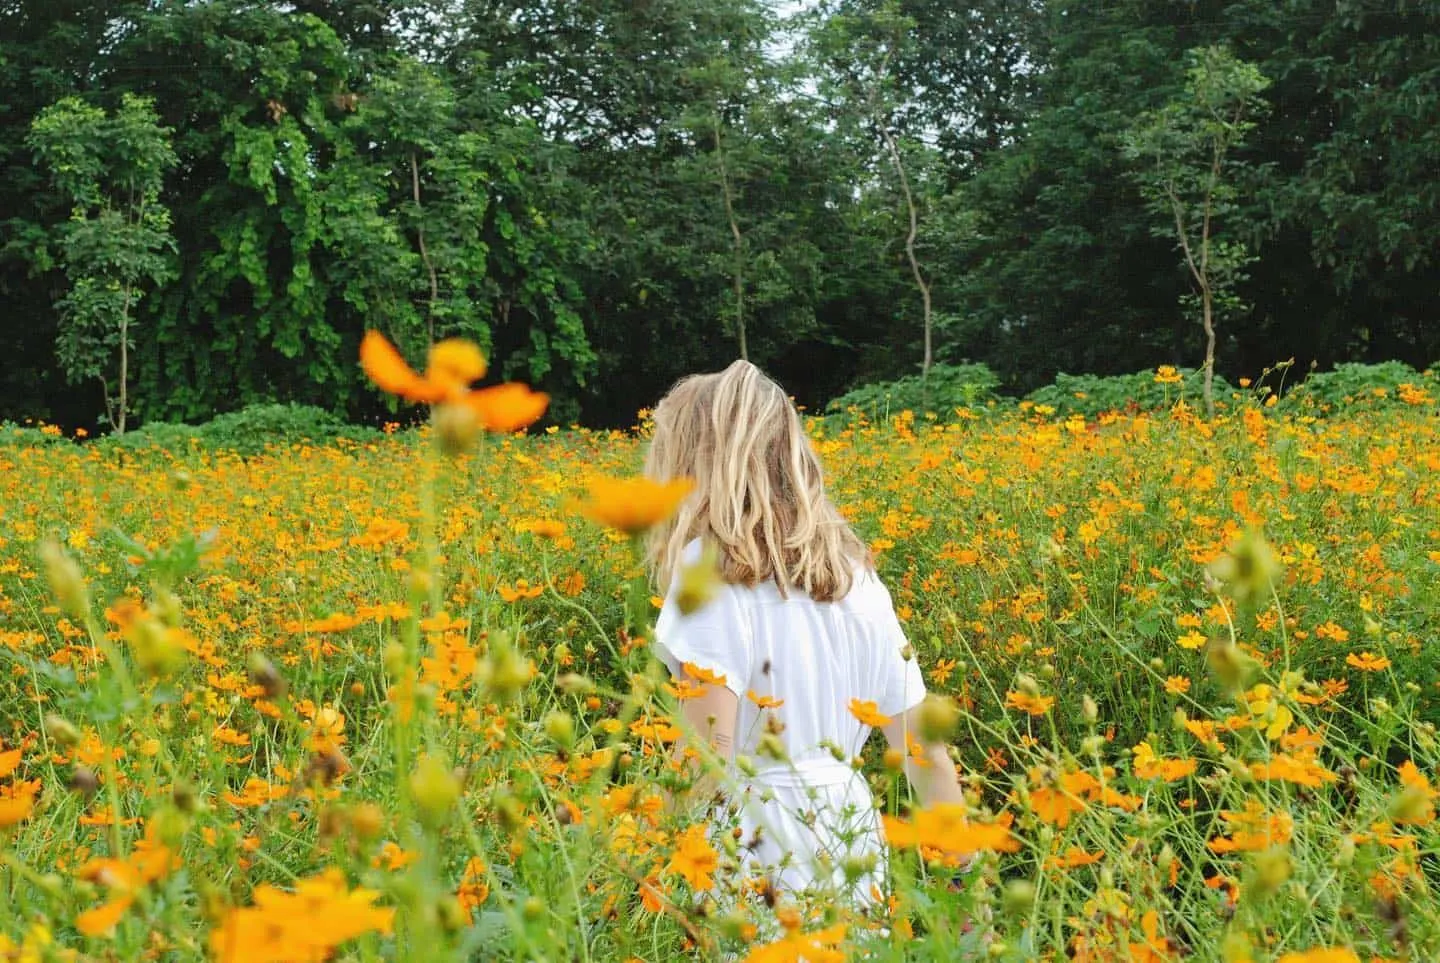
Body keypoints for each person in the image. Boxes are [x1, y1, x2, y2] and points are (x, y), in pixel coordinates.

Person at [644, 359, 966, 911]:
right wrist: (968, 886)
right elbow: (922, 751)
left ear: (688, 467)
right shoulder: (854, 577)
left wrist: (635, 863)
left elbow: (704, 757)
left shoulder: (707, 570)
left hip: (753, 844)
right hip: (848, 833)